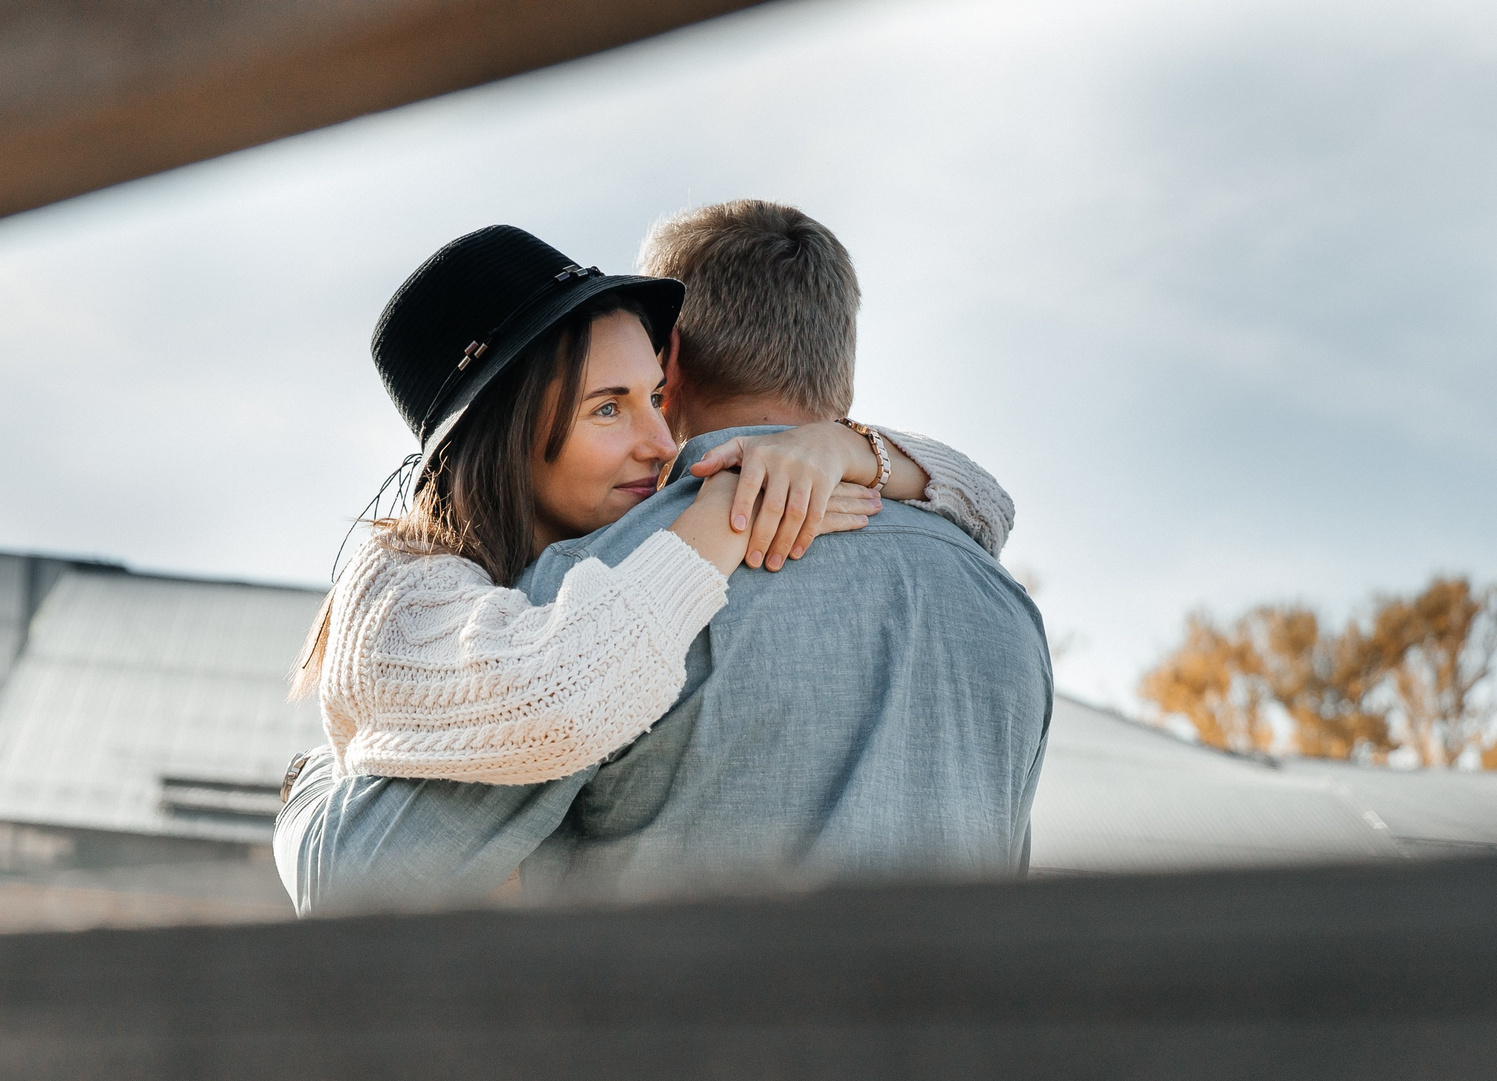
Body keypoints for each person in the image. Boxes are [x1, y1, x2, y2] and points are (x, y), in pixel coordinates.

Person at [281, 201, 1052, 911]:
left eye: (642, 395)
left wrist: (310, 786)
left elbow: (363, 878)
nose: (651, 440)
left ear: (669, 360)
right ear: (839, 365)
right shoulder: (1004, 608)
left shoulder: (592, 590)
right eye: (608, 405)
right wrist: (858, 450)